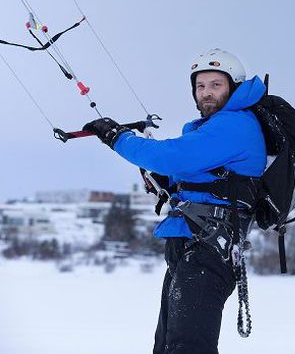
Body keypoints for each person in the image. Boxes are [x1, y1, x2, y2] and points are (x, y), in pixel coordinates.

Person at [83, 48, 267, 354]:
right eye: (200, 86)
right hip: (191, 243)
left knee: (187, 347)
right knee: (167, 345)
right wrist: (167, 183)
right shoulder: (211, 129)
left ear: (233, 87)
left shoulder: (235, 125)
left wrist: (118, 137)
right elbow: (193, 170)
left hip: (211, 249)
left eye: (215, 85)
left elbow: (171, 156)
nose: (206, 93)